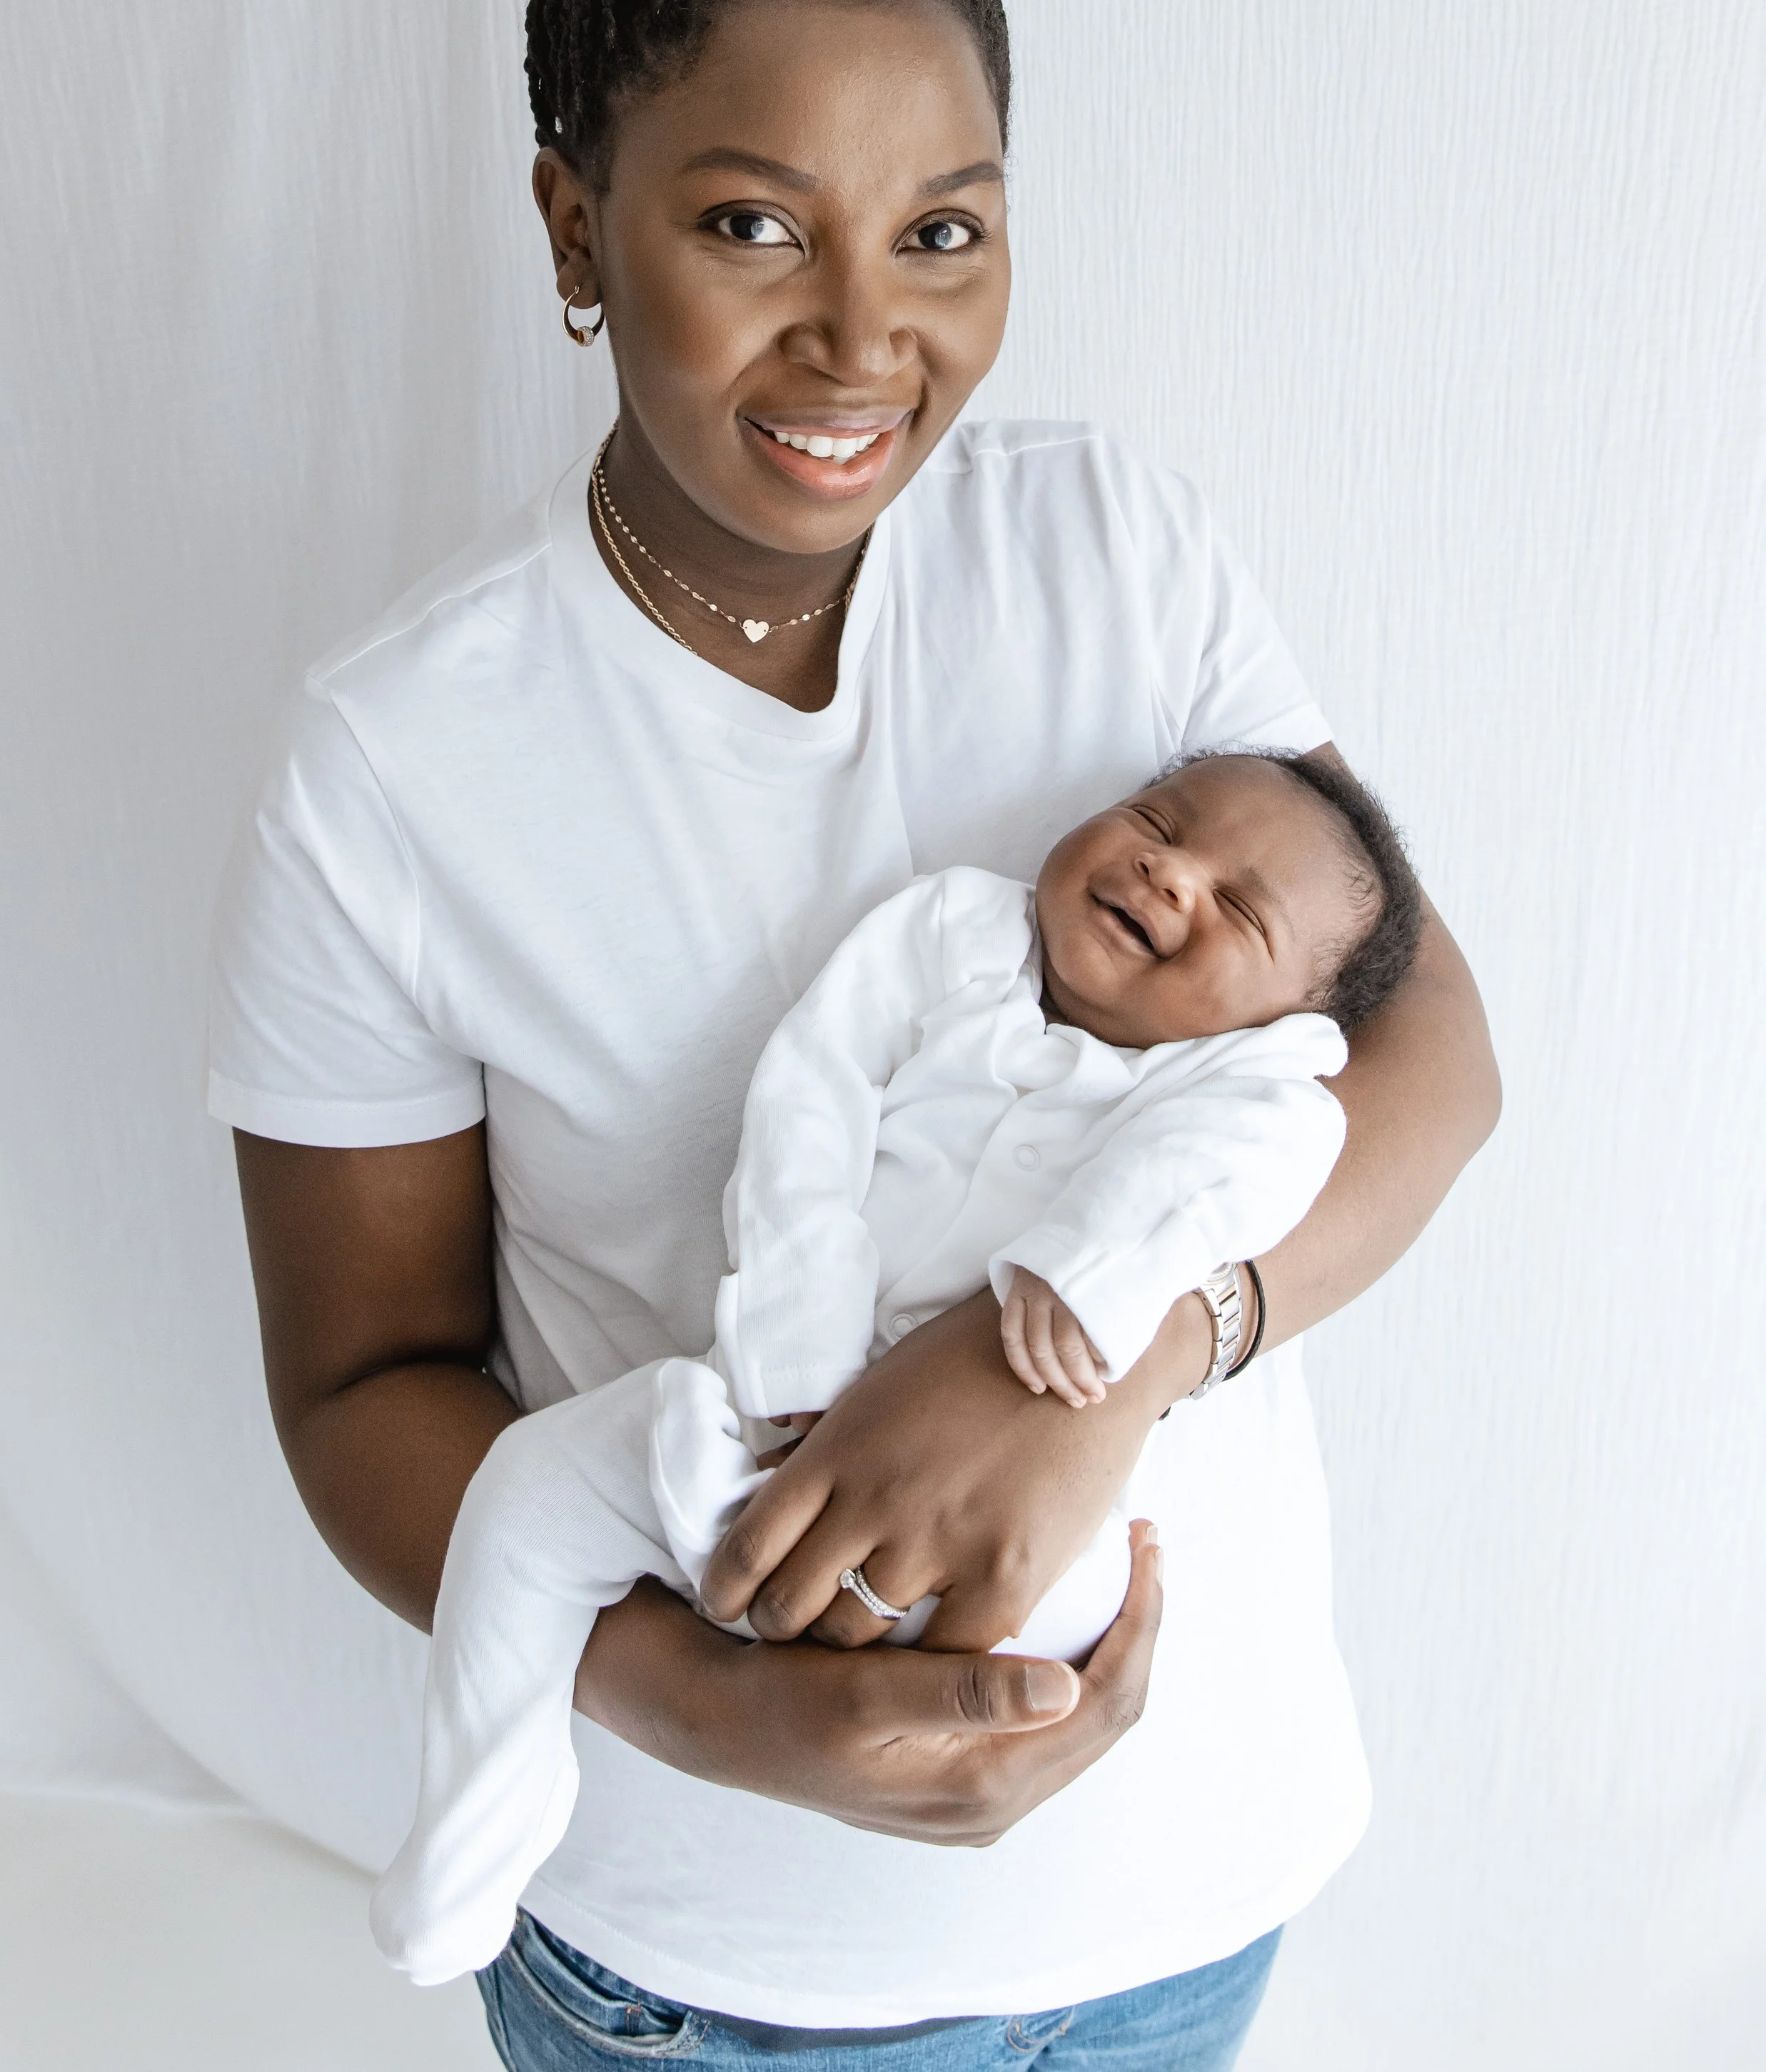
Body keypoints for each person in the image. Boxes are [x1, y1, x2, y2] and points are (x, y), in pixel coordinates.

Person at [215, 0, 1500, 2070]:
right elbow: (363, 1381)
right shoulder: (394, 761)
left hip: (1192, 1889)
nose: (861, 339)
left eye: (944, 231)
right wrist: (699, 1698)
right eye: (744, 223)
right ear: (575, 224)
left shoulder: (1113, 552)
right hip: (712, 1973)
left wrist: (1112, 1363)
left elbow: (1423, 1034)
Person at [370, 744, 1426, 1990]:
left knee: (1052, 1611)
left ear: (1289, 1019)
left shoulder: (1256, 1087)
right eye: (1156, 820)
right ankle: (479, 1820)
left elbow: (1244, 1167)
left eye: (1238, 907)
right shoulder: (951, 937)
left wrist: (1085, 1274)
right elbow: (806, 1111)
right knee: (528, 1492)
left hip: (1027, 1551)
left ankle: (913, 1669)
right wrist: (796, 1362)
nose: (1168, 868)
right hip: (767, 1451)